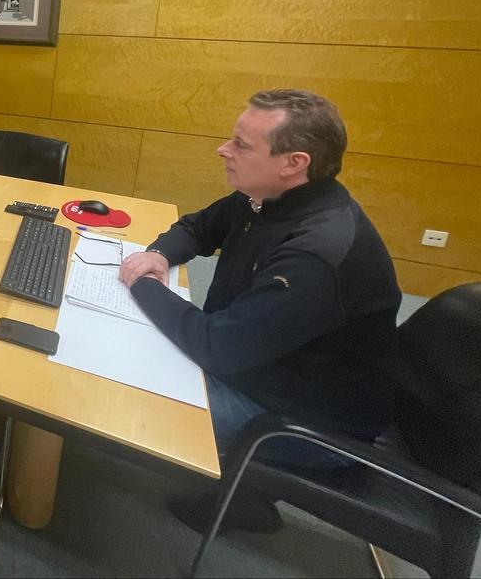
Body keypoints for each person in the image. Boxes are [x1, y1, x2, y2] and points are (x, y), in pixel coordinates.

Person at [117, 89, 400, 532]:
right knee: (136, 344)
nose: (223, 150)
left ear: (294, 163)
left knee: (121, 382)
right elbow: (199, 227)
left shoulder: (316, 253)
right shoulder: (272, 196)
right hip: (268, 366)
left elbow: (217, 347)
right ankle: (248, 494)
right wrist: (158, 254)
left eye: (242, 145)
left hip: (307, 422)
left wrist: (142, 284)